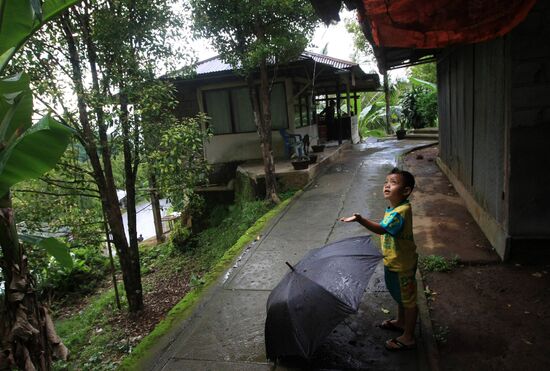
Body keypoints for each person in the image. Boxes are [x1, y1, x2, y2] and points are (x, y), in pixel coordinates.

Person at [339, 167, 418, 351]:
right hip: (394, 260)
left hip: (402, 264)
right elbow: (385, 225)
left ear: (406, 191)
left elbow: (382, 229)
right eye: (386, 182)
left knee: (408, 301)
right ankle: (400, 322)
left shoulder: (402, 211)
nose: (387, 185)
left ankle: (408, 337)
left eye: (393, 183)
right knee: (400, 296)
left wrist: (360, 220)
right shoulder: (394, 208)